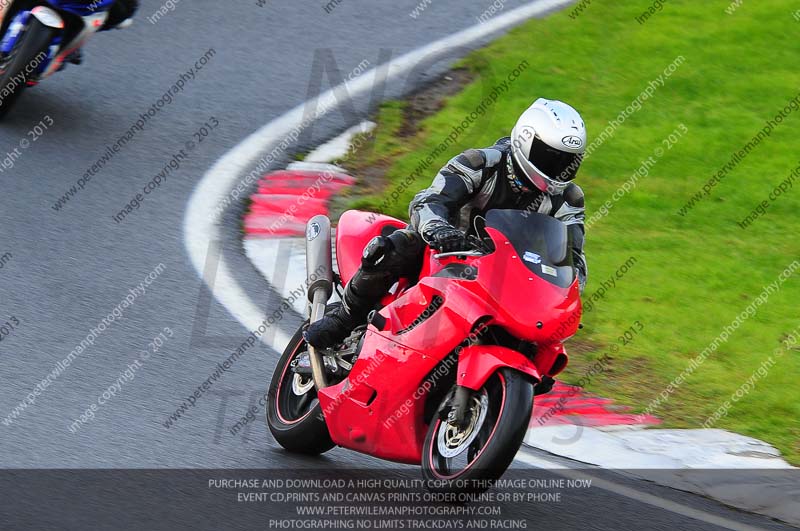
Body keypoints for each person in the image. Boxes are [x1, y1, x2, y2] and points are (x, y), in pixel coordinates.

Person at [304, 98, 589, 350]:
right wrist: (439, 229)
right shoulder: (481, 163)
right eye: (550, 157)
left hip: (505, 279)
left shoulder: (568, 199)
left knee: (542, 346)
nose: (558, 168)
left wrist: (564, 294)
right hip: (444, 255)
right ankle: (344, 317)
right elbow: (428, 201)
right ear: (525, 140)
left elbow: (573, 258)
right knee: (401, 244)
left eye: (568, 161)